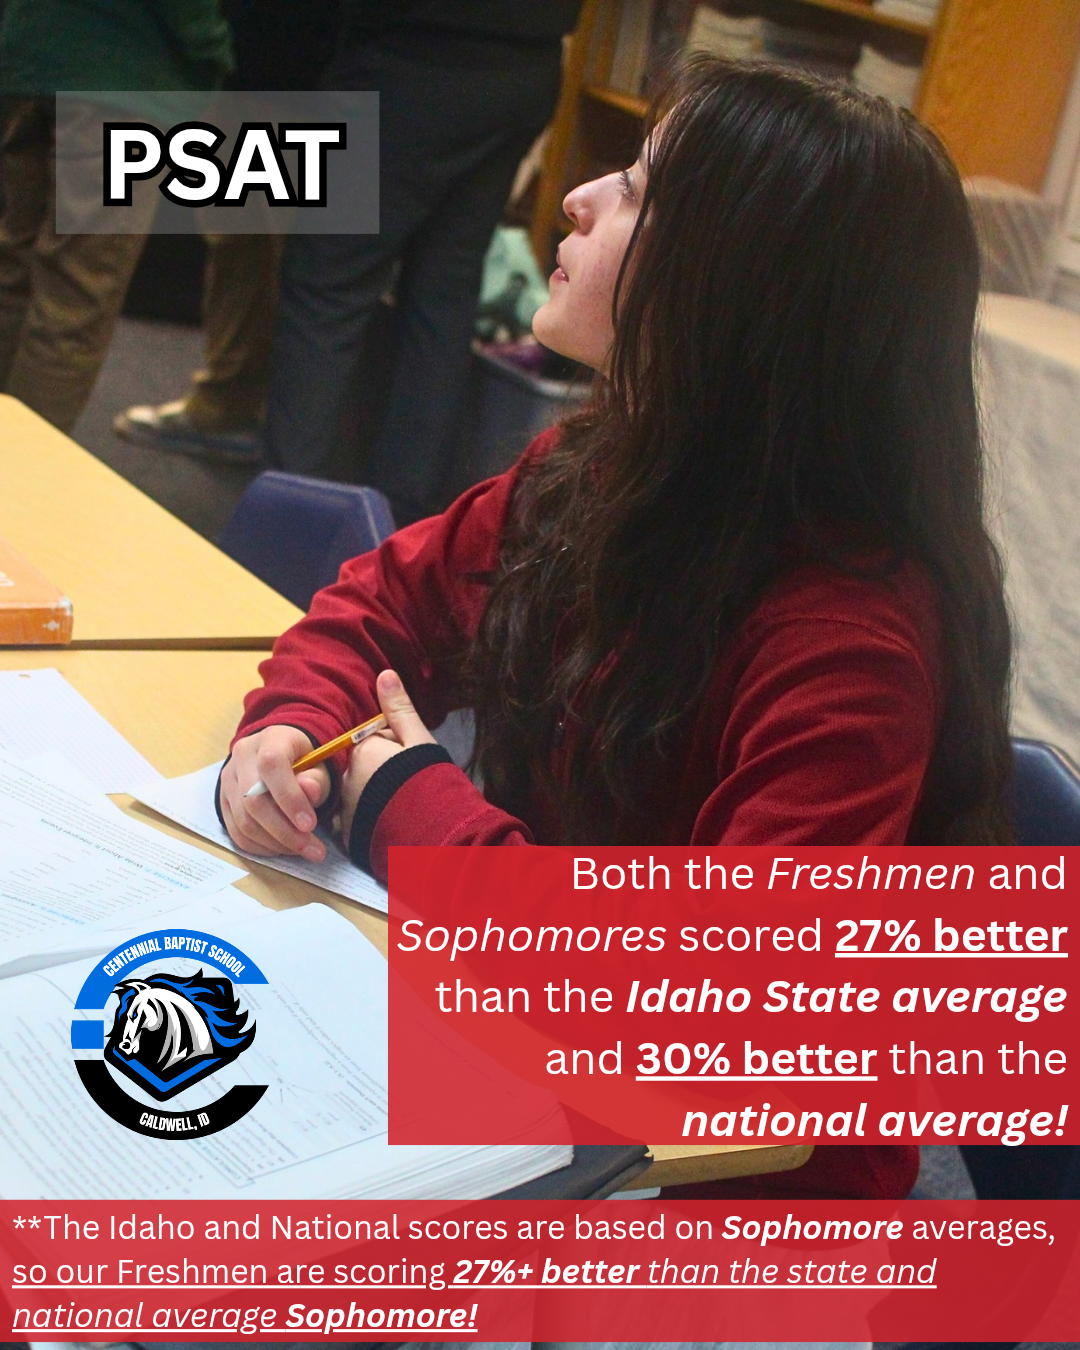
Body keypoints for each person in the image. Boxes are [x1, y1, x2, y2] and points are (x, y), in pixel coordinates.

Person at [216, 59, 1014, 1201]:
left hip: (734, 1201)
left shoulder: (850, 640)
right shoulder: (605, 468)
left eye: (640, 190)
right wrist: (291, 729)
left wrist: (414, 812)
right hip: (549, 1085)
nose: (580, 196)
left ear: (743, 288)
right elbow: (377, 607)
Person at [261, 1, 581, 524]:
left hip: (410, 51)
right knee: (445, 294)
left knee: (328, 287)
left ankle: (286, 519)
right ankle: (402, 526)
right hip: (529, 59)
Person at [0, 0, 232, 432]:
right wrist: (212, 46)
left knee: (15, 274)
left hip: (29, 55)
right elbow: (191, 22)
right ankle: (17, 483)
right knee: (73, 301)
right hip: (119, 75)